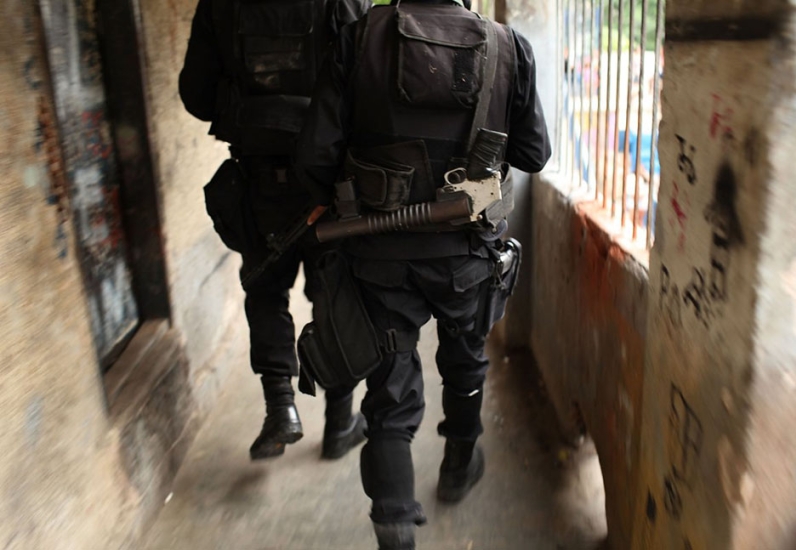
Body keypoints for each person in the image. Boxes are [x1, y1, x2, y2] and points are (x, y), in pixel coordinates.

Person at [294, 0, 551, 547]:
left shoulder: (358, 38)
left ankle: (392, 521)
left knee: (389, 389)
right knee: (465, 358)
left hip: (378, 253)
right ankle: (460, 463)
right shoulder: (507, 47)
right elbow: (533, 154)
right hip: (466, 254)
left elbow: (315, 156)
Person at [178, 0, 371, 461]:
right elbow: (367, 84)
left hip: (260, 181)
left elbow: (196, 97)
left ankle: (280, 407)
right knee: (336, 298)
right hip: (327, 183)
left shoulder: (219, 7)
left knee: (265, 290)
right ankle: (341, 421)